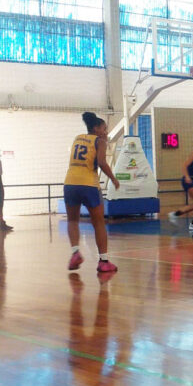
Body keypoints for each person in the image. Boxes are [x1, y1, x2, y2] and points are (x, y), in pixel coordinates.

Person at [64, 112, 120, 272]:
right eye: (104, 128)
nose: (106, 132)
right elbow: (102, 162)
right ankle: (103, 261)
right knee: (99, 223)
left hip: (70, 183)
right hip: (88, 184)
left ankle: (75, 252)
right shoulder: (99, 141)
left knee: (72, 221)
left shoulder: (77, 138)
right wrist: (114, 179)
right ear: (95, 128)